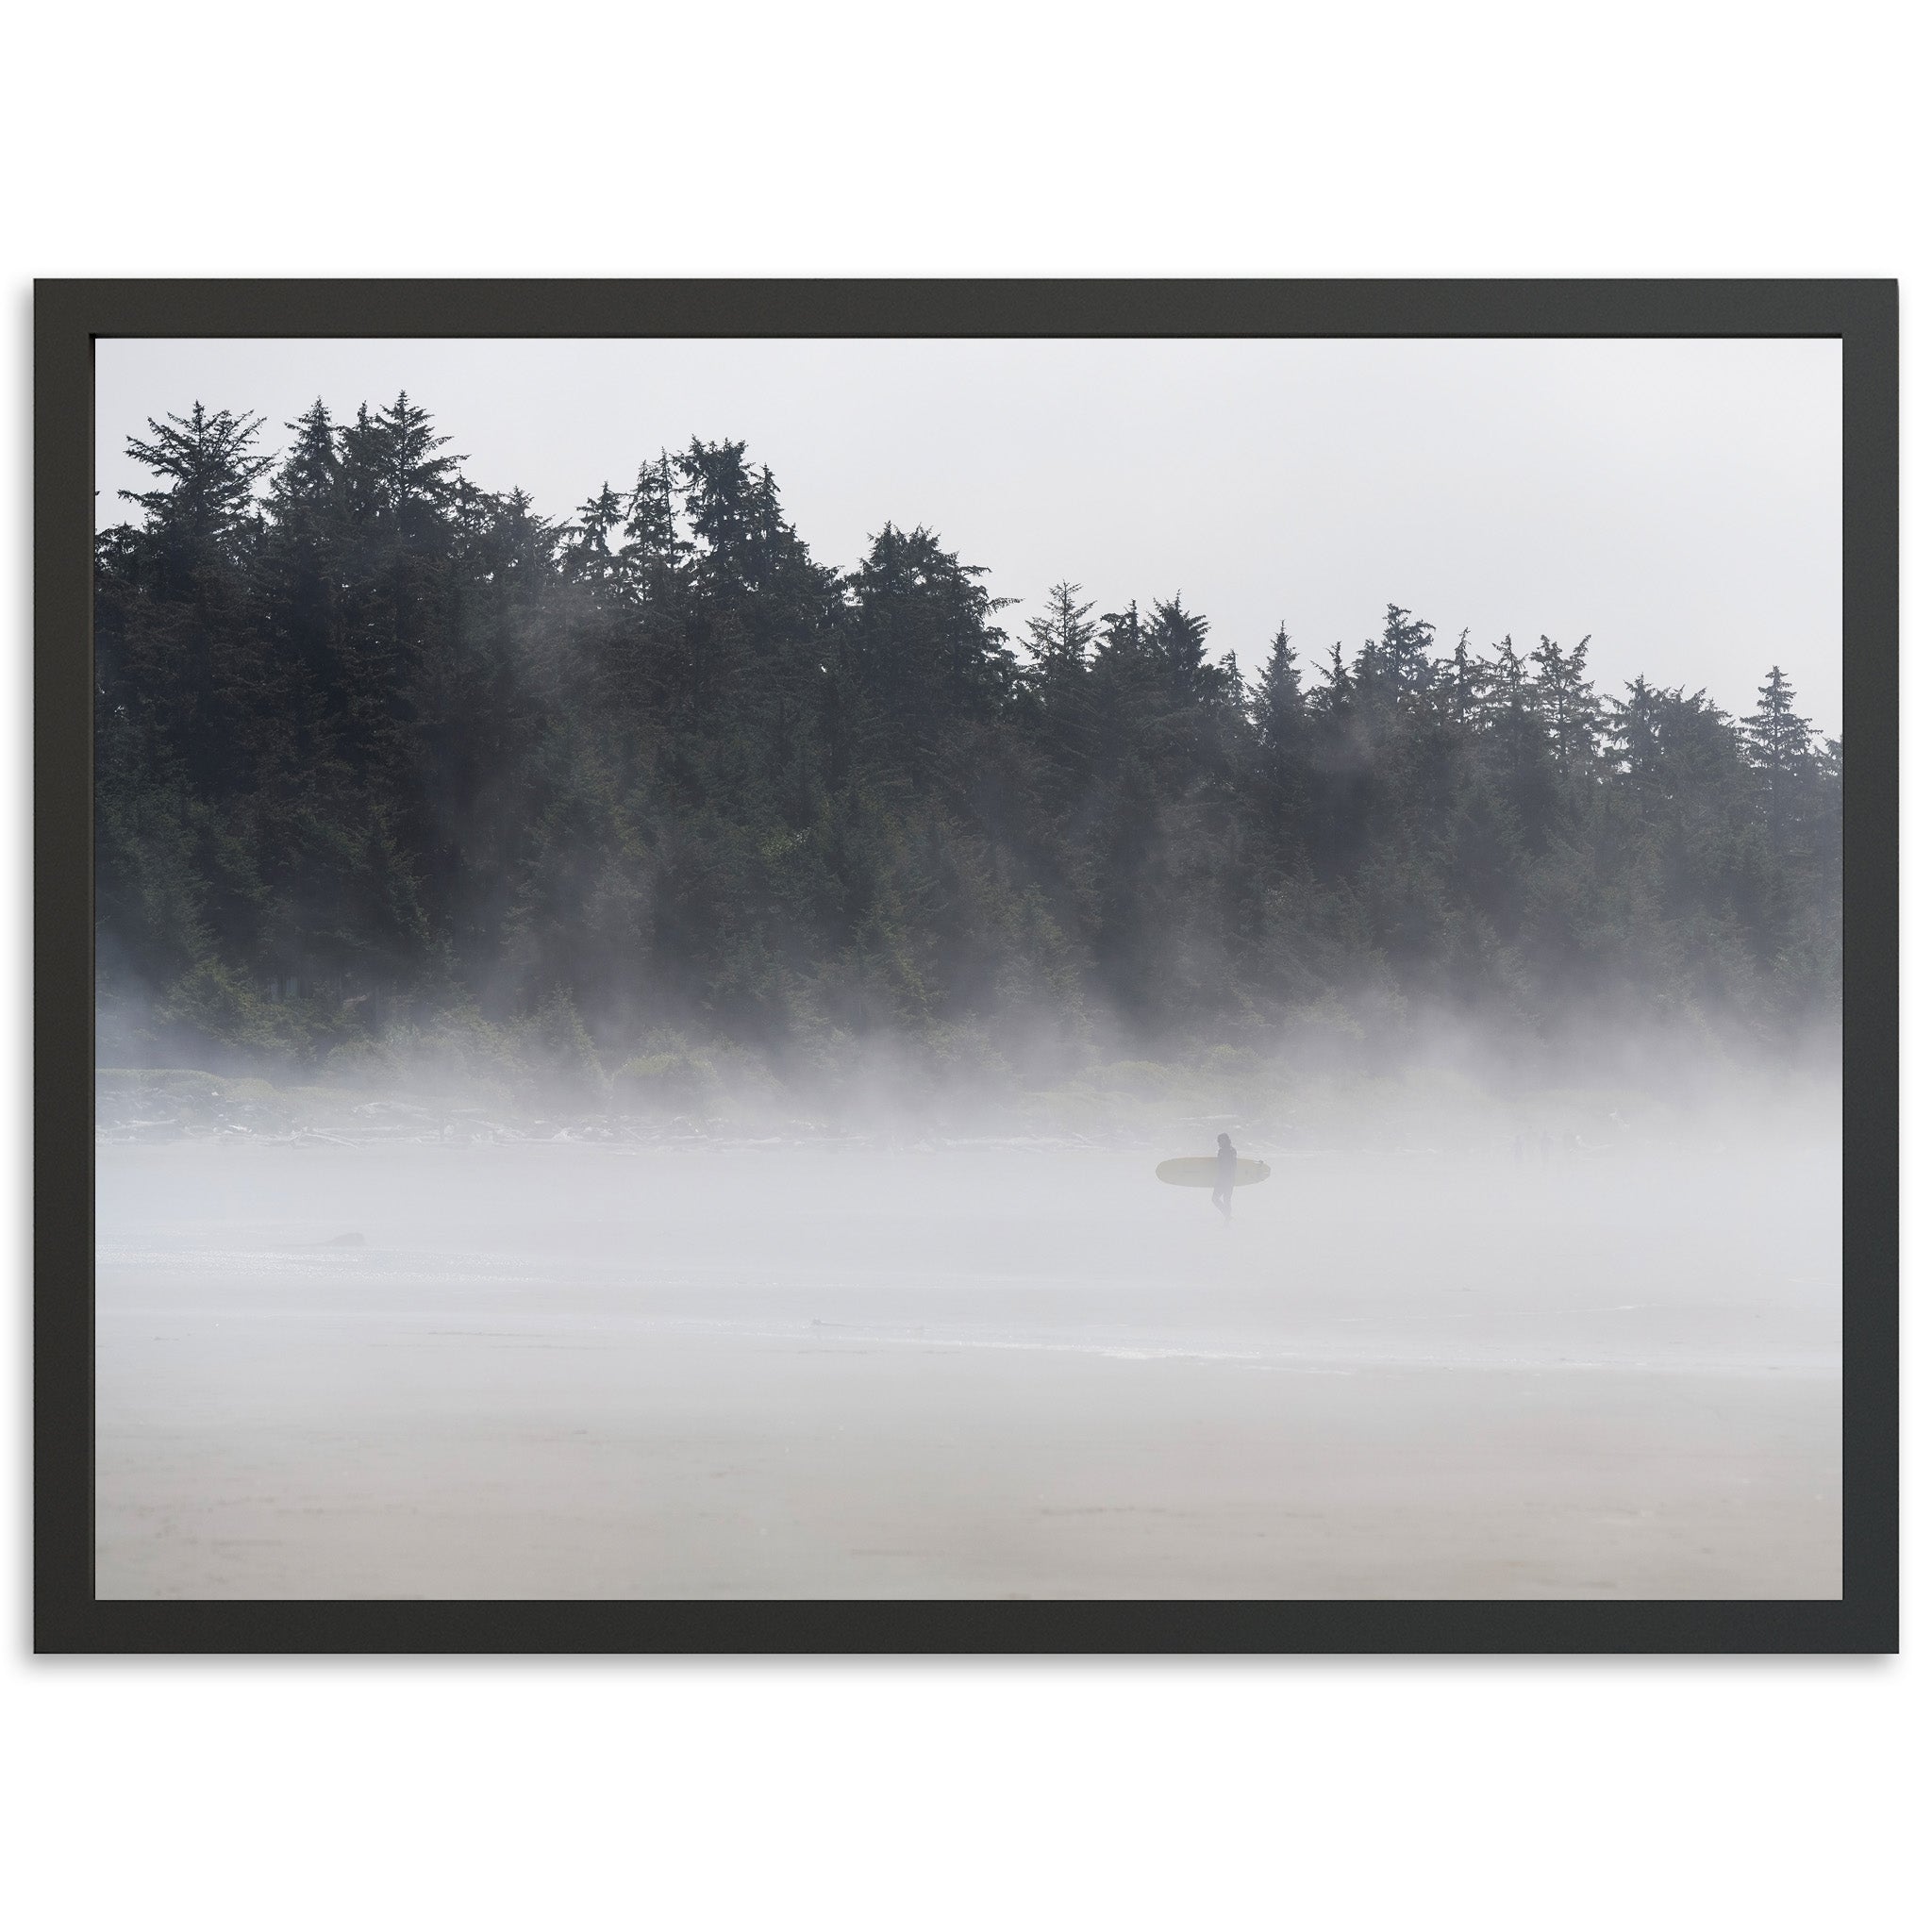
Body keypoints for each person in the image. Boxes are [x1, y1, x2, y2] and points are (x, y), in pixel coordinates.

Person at [1211, 1131, 1237, 1221]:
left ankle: (1227, 1218)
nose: (1220, 1142)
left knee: (1224, 1199)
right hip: (1224, 1179)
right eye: (1219, 1141)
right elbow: (1220, 1166)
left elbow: (1230, 1166)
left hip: (1227, 1179)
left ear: (1226, 1140)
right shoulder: (1223, 1151)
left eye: (1222, 1140)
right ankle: (1227, 1216)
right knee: (1217, 1199)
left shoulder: (1230, 1151)